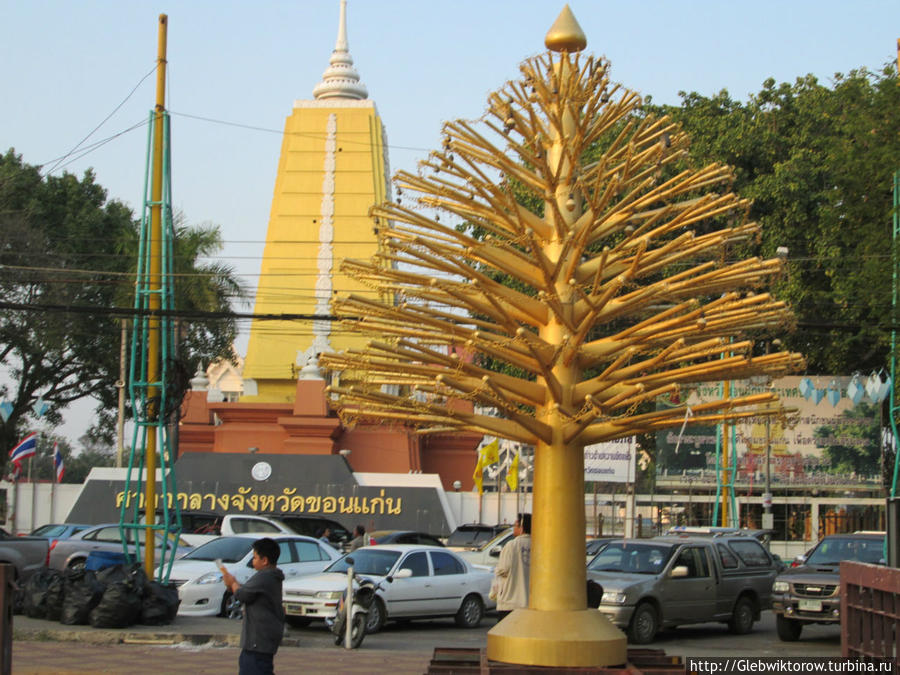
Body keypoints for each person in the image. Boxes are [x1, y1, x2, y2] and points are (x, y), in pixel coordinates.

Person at [220, 537, 285, 675]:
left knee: (254, 668)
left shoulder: (265, 576)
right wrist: (233, 585)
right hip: (262, 640)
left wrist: (232, 583)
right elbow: (248, 593)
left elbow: (243, 594)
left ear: (265, 560)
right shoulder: (271, 576)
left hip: (258, 641)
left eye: (255, 558)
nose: (252, 561)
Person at [492, 513, 531, 618]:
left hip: (510, 601)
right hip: (530, 602)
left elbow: (503, 569)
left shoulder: (512, 545)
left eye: (515, 525)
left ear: (521, 527)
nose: (513, 528)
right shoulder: (536, 545)